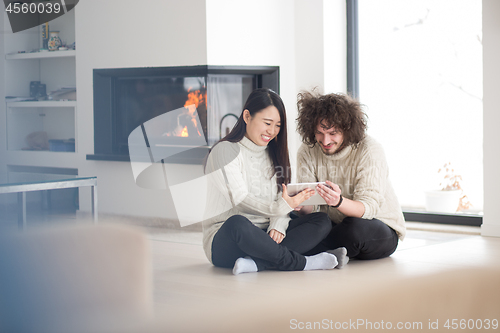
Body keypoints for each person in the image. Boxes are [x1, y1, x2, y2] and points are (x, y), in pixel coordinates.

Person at [202, 88, 346, 275]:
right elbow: (239, 199)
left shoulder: (274, 154)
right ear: (247, 116)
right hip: (229, 239)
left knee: (322, 220)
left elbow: (281, 199)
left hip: (266, 234)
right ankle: (302, 262)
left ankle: (255, 264)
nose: (272, 131)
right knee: (237, 223)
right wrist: (280, 208)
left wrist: (278, 223)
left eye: (277, 125)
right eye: (267, 123)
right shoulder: (225, 151)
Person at [295, 90, 406, 260]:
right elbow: (311, 210)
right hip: (332, 225)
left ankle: (297, 253)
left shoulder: (369, 149)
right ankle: (322, 253)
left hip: (375, 225)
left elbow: (368, 208)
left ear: (348, 129)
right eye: (320, 132)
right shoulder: (307, 150)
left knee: (354, 230)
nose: (325, 141)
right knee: (291, 219)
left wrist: (338, 202)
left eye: (333, 133)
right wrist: (300, 205)